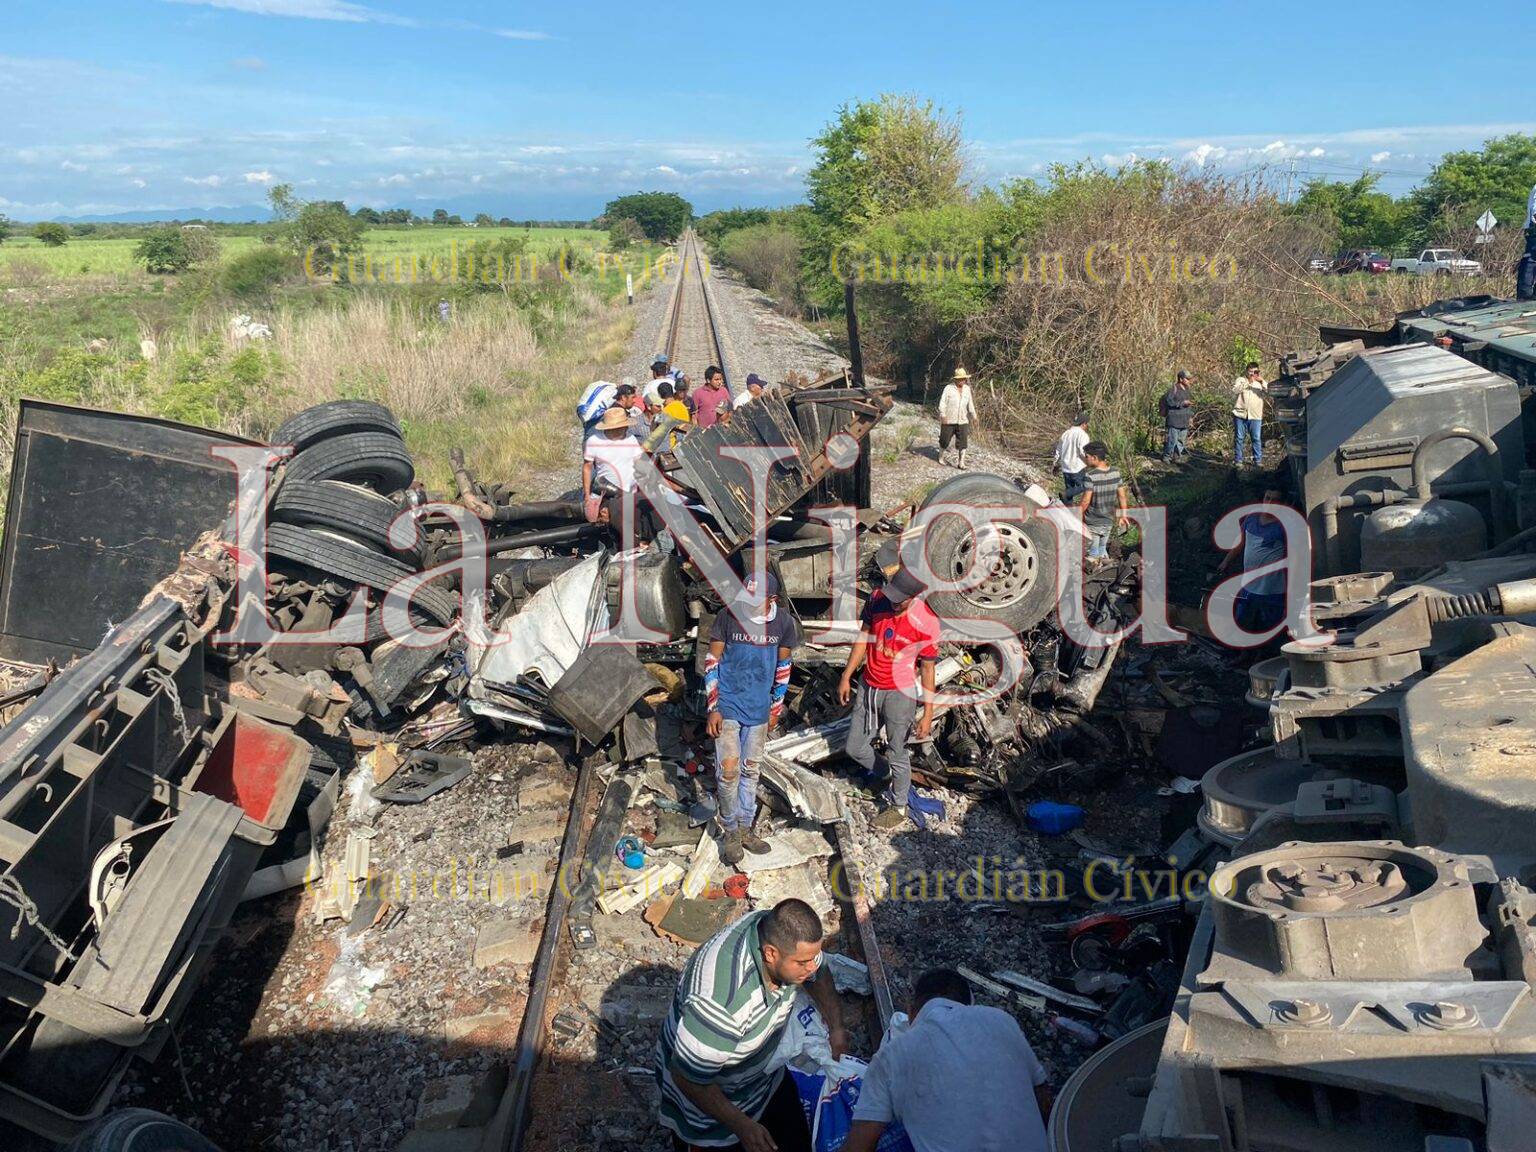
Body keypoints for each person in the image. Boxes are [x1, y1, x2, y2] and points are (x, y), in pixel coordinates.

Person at [656, 899, 847, 1152]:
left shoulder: (783, 938)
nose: (811, 967)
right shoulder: (722, 1003)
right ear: (770, 953)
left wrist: (836, 1027)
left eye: (813, 958)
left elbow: (819, 970)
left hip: (763, 1080)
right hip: (710, 1110)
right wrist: (742, 1125)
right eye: (803, 963)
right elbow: (688, 1077)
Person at [847, 968, 1053, 1152]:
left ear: (911, 1012)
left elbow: (860, 1145)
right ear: (970, 1004)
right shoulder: (1003, 1020)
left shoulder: (890, 1056)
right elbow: (1044, 1101)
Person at [837, 566, 940, 832]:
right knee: (855, 747)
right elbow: (863, 638)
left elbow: (928, 670)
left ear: (914, 597)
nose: (893, 602)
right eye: (892, 596)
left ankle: (899, 806)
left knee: (898, 751)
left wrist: (927, 714)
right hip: (869, 686)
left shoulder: (927, 622)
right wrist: (847, 675)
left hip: (900, 693)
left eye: (900, 599)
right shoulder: (877, 601)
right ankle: (884, 776)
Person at [705, 571, 797, 865]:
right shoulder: (728, 617)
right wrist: (713, 707)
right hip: (729, 704)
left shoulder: (782, 622)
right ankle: (730, 830)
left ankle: (746, 828)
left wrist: (775, 708)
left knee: (750, 770)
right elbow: (712, 662)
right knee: (728, 770)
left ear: (772, 599)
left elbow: (783, 666)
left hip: (758, 708)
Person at [1217, 489, 1290, 634]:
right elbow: (1241, 542)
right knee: (1244, 622)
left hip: (1271, 589)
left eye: (1274, 500)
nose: (1269, 503)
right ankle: (1245, 654)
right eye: (1267, 498)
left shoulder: (1284, 526)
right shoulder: (1252, 518)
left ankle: (1263, 656)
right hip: (1249, 585)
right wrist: (1226, 561)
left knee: (1268, 627)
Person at [1077, 440, 1128, 563]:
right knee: (1102, 547)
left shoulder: (1090, 476)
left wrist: (1077, 516)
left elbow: (1085, 501)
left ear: (1094, 458)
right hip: (1108, 521)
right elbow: (1122, 496)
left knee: (1093, 552)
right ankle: (1106, 566)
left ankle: (1096, 573)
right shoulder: (1116, 472)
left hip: (1093, 522)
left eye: (1087, 456)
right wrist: (1123, 516)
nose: (1085, 458)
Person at [937, 366, 979, 469]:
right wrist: (943, 415)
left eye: (964, 379)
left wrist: (974, 416)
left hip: (963, 420)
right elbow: (942, 403)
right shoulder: (948, 388)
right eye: (961, 379)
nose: (963, 381)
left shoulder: (967, 389)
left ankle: (961, 462)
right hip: (949, 419)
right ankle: (941, 456)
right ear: (956, 379)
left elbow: (970, 404)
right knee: (944, 440)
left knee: (963, 442)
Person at [1231, 362, 1266, 467]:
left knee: (1256, 438)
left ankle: (1258, 460)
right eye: (1250, 371)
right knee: (1239, 438)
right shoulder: (1241, 380)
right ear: (1247, 371)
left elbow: (1270, 391)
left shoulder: (1260, 383)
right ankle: (1238, 460)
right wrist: (1248, 382)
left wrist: (1262, 381)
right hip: (1240, 414)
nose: (1252, 374)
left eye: (1255, 372)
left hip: (1255, 415)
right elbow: (1235, 390)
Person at [1053, 411, 1090, 499]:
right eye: (1087, 424)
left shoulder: (1066, 433)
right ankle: (1065, 494)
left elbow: (1058, 451)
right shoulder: (1083, 435)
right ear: (1084, 424)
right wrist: (1089, 463)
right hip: (1077, 467)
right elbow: (1082, 451)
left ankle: (1067, 509)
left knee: (1069, 492)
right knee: (1086, 486)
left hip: (1065, 468)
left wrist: (1055, 464)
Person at [1160, 370, 1194, 463]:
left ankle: (1176, 457)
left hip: (1184, 419)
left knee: (1181, 442)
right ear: (1180, 379)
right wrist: (1182, 403)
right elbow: (1169, 402)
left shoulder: (1187, 390)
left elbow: (1189, 406)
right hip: (1174, 419)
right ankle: (1166, 456)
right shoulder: (1173, 389)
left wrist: (1190, 417)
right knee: (1172, 440)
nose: (1189, 380)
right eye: (1187, 379)